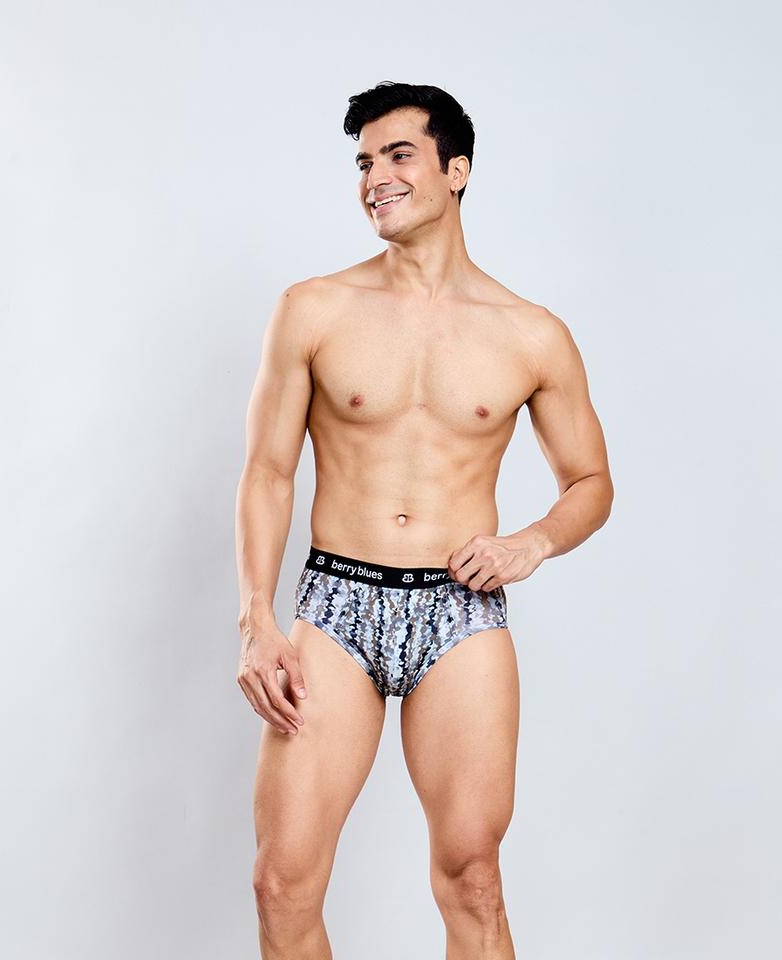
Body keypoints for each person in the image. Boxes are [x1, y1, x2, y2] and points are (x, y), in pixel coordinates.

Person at [234, 80, 614, 960]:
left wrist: (531, 542)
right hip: (338, 604)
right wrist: (256, 616)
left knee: (472, 877)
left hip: (459, 613)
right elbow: (268, 470)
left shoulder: (531, 333)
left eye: (398, 155)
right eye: (364, 162)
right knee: (281, 882)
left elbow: (591, 481)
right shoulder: (313, 309)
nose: (375, 177)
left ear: (457, 170)